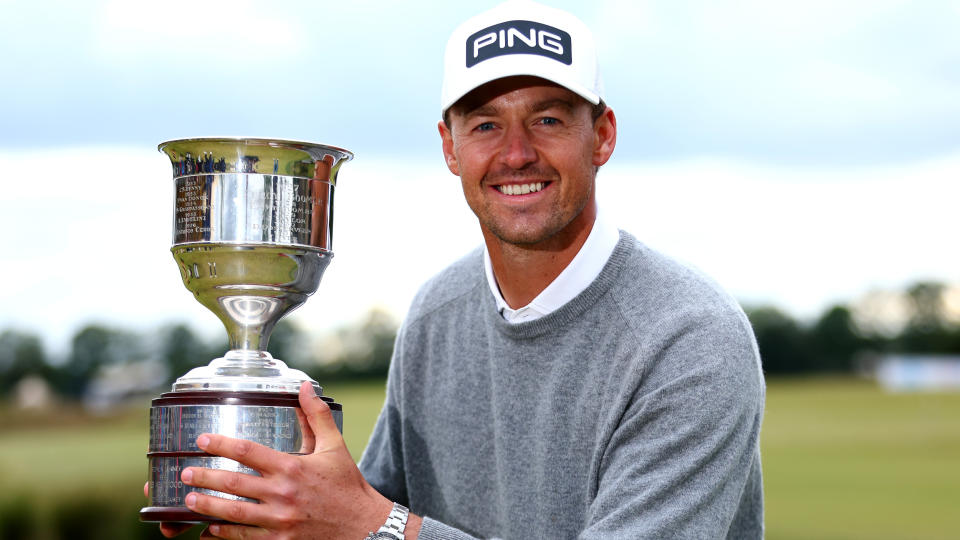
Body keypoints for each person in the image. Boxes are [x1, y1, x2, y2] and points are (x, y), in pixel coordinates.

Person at [155, 1, 765, 538]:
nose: (516, 152)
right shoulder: (436, 313)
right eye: (485, 124)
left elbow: (371, 522)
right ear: (450, 146)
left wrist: (375, 527)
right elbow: (357, 514)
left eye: (548, 119)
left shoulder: (690, 338)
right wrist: (270, 510)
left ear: (601, 136)